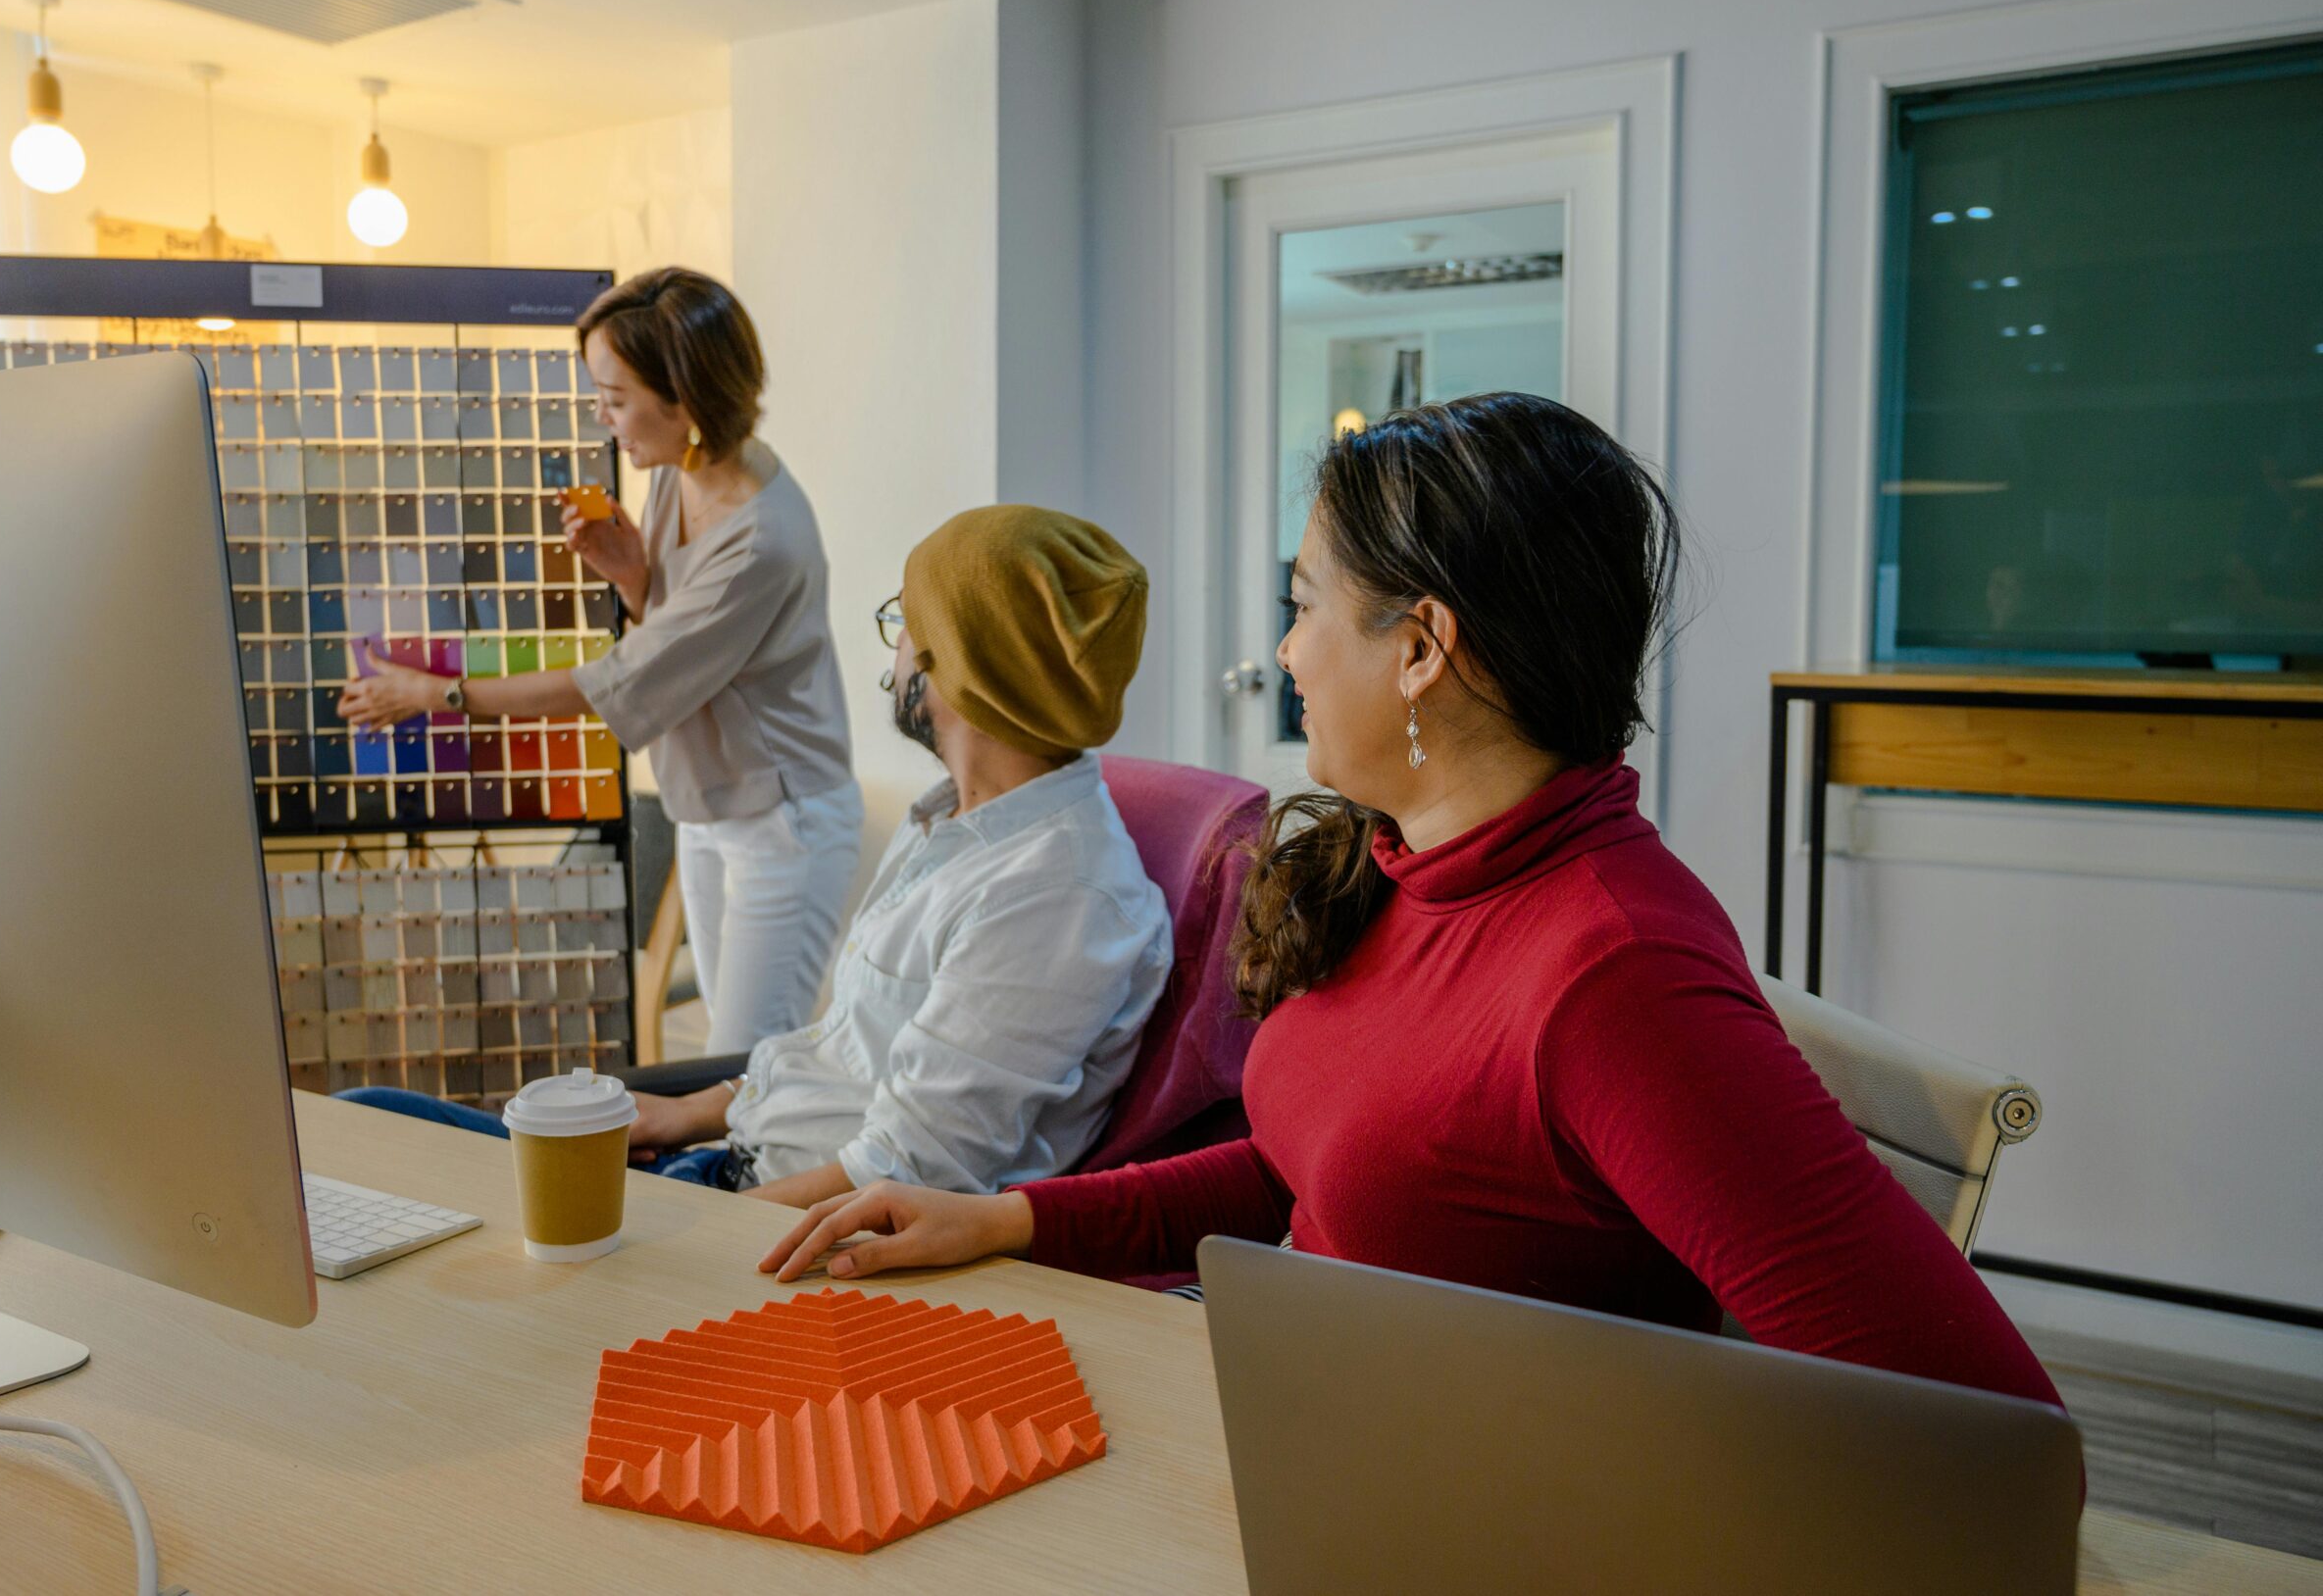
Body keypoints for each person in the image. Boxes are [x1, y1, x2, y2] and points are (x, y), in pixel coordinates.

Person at [761, 393, 2064, 1409]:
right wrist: (1013, 1216)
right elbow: (1302, 1168)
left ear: (1423, 648)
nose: (1282, 651)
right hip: (1283, 1416)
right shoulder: (1411, 866)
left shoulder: (1616, 974)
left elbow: (1990, 1435)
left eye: (1302, 604)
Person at [345, 505, 1174, 1211]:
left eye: (904, 625)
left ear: (954, 669)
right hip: (722, 1166)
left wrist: (677, 1223)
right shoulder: (956, 824)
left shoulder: (1055, 894)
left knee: (380, 1161)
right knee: (367, 1120)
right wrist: (690, 1112)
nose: (892, 655)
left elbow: (902, 1173)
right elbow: (847, 1050)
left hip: (759, 1223)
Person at [341, 269, 862, 1053]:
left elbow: (616, 681)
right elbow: (686, 649)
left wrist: (437, 693)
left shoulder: (761, 538)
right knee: (729, 1058)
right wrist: (631, 572)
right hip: (712, 804)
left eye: (615, 399)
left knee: (753, 1066)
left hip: (780, 819)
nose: (602, 418)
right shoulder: (682, 467)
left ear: (684, 397)